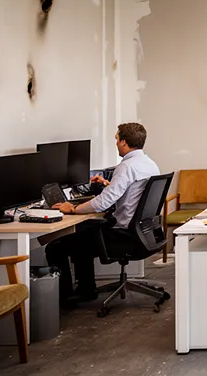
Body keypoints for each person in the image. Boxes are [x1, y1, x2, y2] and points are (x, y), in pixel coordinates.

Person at [47, 123, 160, 304]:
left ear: (124, 142)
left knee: (57, 246)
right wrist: (109, 185)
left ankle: (71, 296)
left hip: (123, 234)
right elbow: (133, 193)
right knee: (83, 233)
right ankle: (85, 289)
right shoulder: (149, 164)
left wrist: (73, 209)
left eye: (116, 139)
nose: (115, 143)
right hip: (142, 232)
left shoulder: (126, 167)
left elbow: (103, 203)